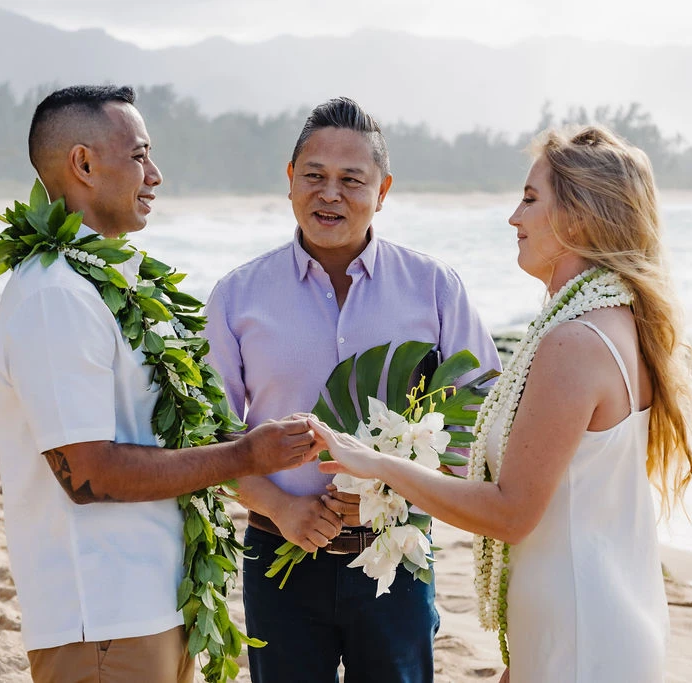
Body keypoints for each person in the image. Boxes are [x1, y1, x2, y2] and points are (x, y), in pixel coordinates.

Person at [309, 125, 692, 682]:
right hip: (583, 620)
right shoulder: (614, 322)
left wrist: (378, 465)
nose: (513, 218)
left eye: (529, 199)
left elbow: (512, 513)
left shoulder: (575, 341)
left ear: (578, 216)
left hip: (581, 634)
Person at [0, 85, 323, 683]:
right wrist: (243, 454)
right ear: (84, 165)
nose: (156, 175)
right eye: (140, 155)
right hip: (102, 616)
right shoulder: (55, 295)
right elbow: (88, 472)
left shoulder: (103, 282)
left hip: (153, 605)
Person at [203, 96, 501, 683]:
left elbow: (482, 412)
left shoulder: (434, 288)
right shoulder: (238, 296)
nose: (329, 194)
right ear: (290, 182)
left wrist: (403, 487)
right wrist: (281, 507)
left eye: (351, 180)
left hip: (397, 556)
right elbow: (209, 438)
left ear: (383, 190)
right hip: (278, 556)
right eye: (313, 176)